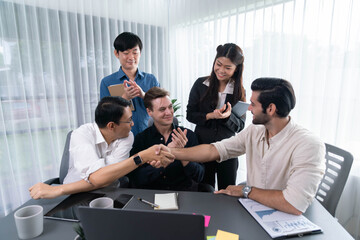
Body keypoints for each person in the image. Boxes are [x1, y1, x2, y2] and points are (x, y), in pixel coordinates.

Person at [162, 78, 326, 215]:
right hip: (254, 211)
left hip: (284, 218)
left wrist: (247, 191)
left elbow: (294, 205)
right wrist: (170, 152)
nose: (249, 108)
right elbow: (214, 150)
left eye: (253, 104)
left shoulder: (308, 144)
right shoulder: (255, 131)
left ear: (270, 109)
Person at [29, 97, 174, 199]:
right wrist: (141, 157)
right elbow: (100, 178)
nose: (132, 124)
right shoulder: (80, 135)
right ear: (111, 126)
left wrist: (58, 189)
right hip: (74, 195)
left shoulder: (127, 136)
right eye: (129, 120)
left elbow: (104, 179)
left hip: (108, 192)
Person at [187, 43, 246, 190]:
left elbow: (240, 126)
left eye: (228, 68)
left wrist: (227, 117)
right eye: (218, 64)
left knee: (227, 191)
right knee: (204, 189)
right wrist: (209, 116)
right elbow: (190, 114)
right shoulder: (200, 84)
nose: (221, 70)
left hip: (228, 149)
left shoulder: (239, 91)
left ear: (236, 69)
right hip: (202, 145)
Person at [127, 87, 208, 191]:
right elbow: (136, 179)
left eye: (170, 107)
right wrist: (161, 163)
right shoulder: (141, 139)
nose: (169, 112)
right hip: (152, 195)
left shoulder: (189, 135)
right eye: (162, 109)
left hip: (183, 193)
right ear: (149, 112)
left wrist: (182, 154)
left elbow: (199, 176)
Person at [100, 32, 160, 136]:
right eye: (126, 53)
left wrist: (144, 95)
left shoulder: (151, 79)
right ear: (116, 53)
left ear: (140, 53)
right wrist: (124, 99)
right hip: (121, 138)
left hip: (150, 135)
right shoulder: (107, 82)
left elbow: (161, 107)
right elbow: (104, 116)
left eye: (135, 52)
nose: (131, 57)